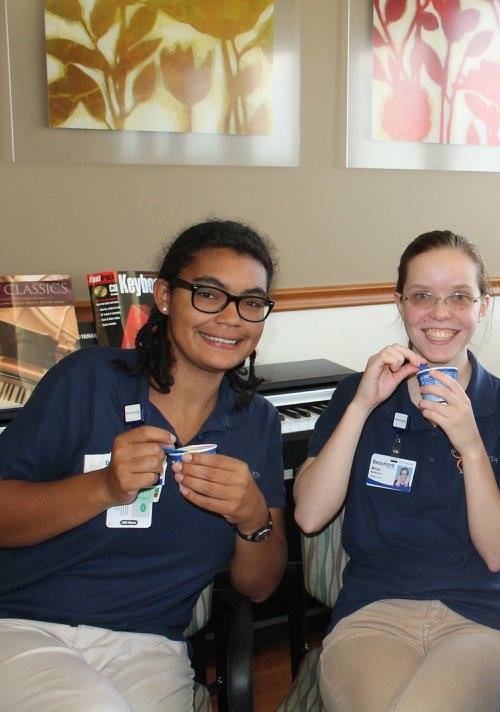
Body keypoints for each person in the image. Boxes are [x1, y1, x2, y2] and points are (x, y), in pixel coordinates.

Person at [0, 220, 287, 711]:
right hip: (23, 625)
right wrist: (104, 486)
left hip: (151, 645)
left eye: (252, 302)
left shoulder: (255, 422)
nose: (231, 318)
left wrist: (253, 518)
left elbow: (258, 587)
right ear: (164, 296)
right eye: (209, 294)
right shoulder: (87, 380)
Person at [293, 230, 500, 712]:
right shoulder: (357, 394)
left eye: (459, 296)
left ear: (483, 306)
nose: (440, 313)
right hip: (373, 613)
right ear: (399, 304)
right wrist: (361, 406)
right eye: (422, 296)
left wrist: (469, 441)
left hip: (481, 620)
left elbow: (498, 551)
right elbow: (310, 516)